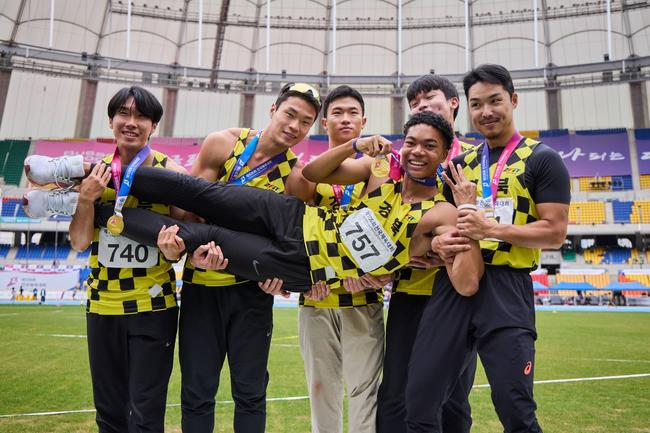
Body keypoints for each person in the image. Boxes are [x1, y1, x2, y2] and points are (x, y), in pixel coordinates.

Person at [24, 113, 483, 298]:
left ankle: (76, 204)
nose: (416, 151)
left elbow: (465, 284)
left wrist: (467, 212)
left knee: (201, 236)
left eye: (430, 146)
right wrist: (356, 145)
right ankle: (78, 169)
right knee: (198, 192)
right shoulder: (381, 168)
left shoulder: (441, 212)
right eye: (411, 141)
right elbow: (311, 174)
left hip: (304, 263)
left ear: (446, 153)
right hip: (295, 215)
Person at [405, 64, 570, 433]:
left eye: (495, 101)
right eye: (477, 104)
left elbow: (555, 232)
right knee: (419, 403)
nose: (486, 111)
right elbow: (434, 226)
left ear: (513, 100)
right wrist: (436, 243)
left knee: (515, 409)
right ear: (467, 108)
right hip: (453, 282)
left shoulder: (542, 158)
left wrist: (492, 229)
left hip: (506, 286)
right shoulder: (458, 165)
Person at [163, 82, 320, 433]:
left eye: (305, 122)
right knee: (197, 391)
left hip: (251, 293)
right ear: (273, 110)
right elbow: (184, 213)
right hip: (202, 287)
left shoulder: (297, 179)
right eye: (290, 114)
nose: (295, 126)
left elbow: (286, 247)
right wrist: (196, 253)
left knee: (250, 393)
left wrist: (278, 280)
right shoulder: (223, 144)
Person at [25, 86, 184, 433]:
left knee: (146, 414)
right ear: (111, 121)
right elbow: (80, 242)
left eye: (141, 116)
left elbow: (184, 235)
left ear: (154, 126)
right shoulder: (95, 175)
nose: (132, 122)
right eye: (123, 114)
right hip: (102, 305)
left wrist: (175, 251)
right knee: (109, 415)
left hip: (153, 306)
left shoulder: (170, 173)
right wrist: (85, 200)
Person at [376, 74, 477, 433]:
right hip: (410, 289)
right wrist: (418, 249)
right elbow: (391, 221)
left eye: (429, 98)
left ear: (453, 103)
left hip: (457, 295)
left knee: (453, 396)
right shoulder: (404, 160)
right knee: (396, 390)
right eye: (414, 102)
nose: (420, 105)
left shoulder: (475, 161)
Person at [297, 85, 385, 433]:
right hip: (316, 297)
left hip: (363, 295)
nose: (345, 119)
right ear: (324, 122)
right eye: (337, 112)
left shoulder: (379, 168)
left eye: (352, 113)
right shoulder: (306, 169)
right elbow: (292, 231)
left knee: (365, 392)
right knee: (322, 392)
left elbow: (388, 225)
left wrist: (383, 274)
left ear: (364, 121)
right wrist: (300, 281)